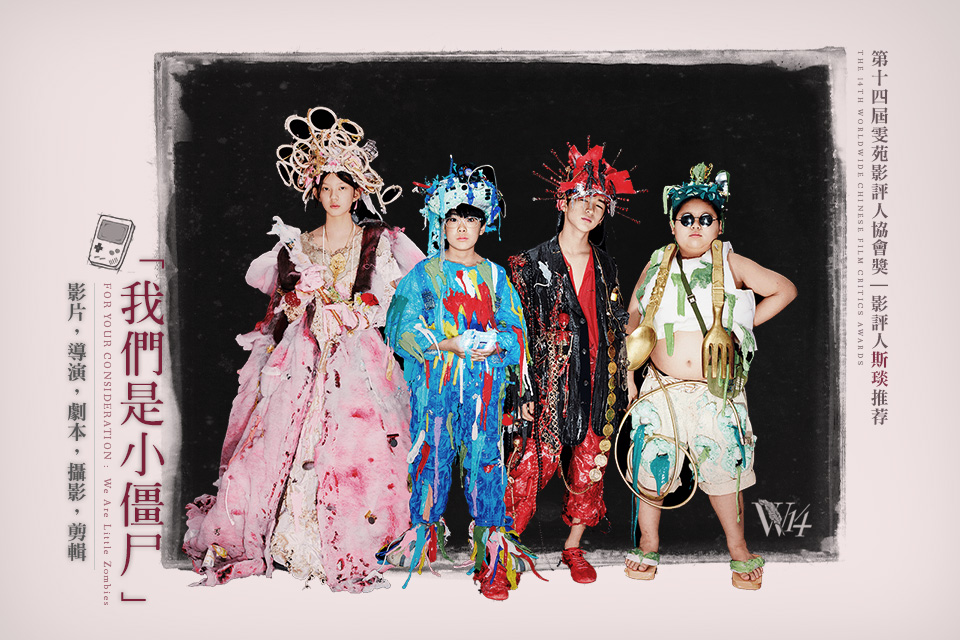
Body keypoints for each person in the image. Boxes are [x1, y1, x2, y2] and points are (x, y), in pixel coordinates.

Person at [182, 106, 425, 593]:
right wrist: (298, 301)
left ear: (357, 191)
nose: (334, 196)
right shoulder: (298, 244)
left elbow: (395, 300)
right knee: (281, 440)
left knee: (356, 442)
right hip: (301, 355)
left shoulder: (378, 241)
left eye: (343, 188)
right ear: (315, 191)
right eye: (326, 188)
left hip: (357, 355)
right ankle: (291, 537)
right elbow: (282, 308)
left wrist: (353, 313)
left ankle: (353, 537)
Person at [622, 162, 796, 590]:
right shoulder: (657, 263)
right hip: (660, 386)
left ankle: (738, 548)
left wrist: (741, 328)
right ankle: (648, 542)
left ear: (719, 226)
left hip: (716, 390)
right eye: (687, 219)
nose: (696, 226)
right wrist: (630, 371)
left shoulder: (731, 262)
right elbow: (634, 313)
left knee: (724, 470)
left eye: (706, 219)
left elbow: (784, 289)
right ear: (673, 225)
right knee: (650, 465)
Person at [380, 160, 537, 601]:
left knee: (486, 458)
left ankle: (491, 547)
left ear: (484, 226)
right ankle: (423, 538)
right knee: (429, 454)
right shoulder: (423, 275)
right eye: (453, 219)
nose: (462, 227)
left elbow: (516, 332)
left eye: (471, 219)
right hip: (433, 386)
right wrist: (446, 343)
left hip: (484, 389)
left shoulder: (496, 277)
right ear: (440, 224)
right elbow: (400, 327)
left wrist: (494, 342)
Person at [505, 143, 633, 584]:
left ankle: (573, 547)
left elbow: (615, 325)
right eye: (582, 199)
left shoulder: (606, 264)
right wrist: (519, 391)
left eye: (599, 203)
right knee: (528, 466)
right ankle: (503, 550)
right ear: (562, 203)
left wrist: (626, 375)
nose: (590, 209)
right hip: (547, 382)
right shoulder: (528, 264)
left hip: (598, 380)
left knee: (590, 466)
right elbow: (514, 335)